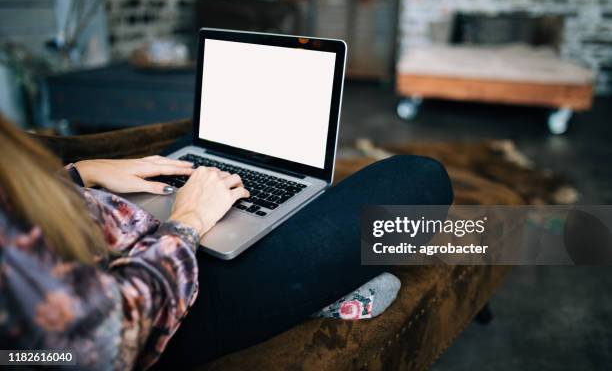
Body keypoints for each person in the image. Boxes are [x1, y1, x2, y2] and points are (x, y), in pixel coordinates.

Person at [0, 115, 453, 369]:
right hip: (170, 305)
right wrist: (188, 223)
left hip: (116, 231)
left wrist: (77, 176)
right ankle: (318, 289)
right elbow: (94, 347)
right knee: (421, 179)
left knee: (206, 146)